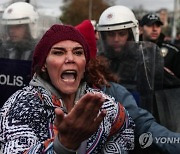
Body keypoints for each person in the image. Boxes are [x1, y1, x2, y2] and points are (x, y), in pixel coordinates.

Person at [0, 24, 135, 153]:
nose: (70, 58)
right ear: (43, 65)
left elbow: (126, 129)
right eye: (59, 52)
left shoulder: (101, 103)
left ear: (85, 64)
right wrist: (64, 146)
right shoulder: (20, 106)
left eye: (78, 52)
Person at [90, 5, 180, 153]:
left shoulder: (146, 60)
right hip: (108, 130)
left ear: (131, 34)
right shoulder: (97, 64)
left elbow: (172, 85)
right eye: (111, 34)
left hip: (142, 125)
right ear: (103, 37)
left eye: (121, 33)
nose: (116, 39)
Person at [139, 12, 180, 79]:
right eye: (150, 25)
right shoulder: (132, 48)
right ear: (141, 28)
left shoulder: (173, 51)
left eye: (158, 25)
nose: (155, 29)